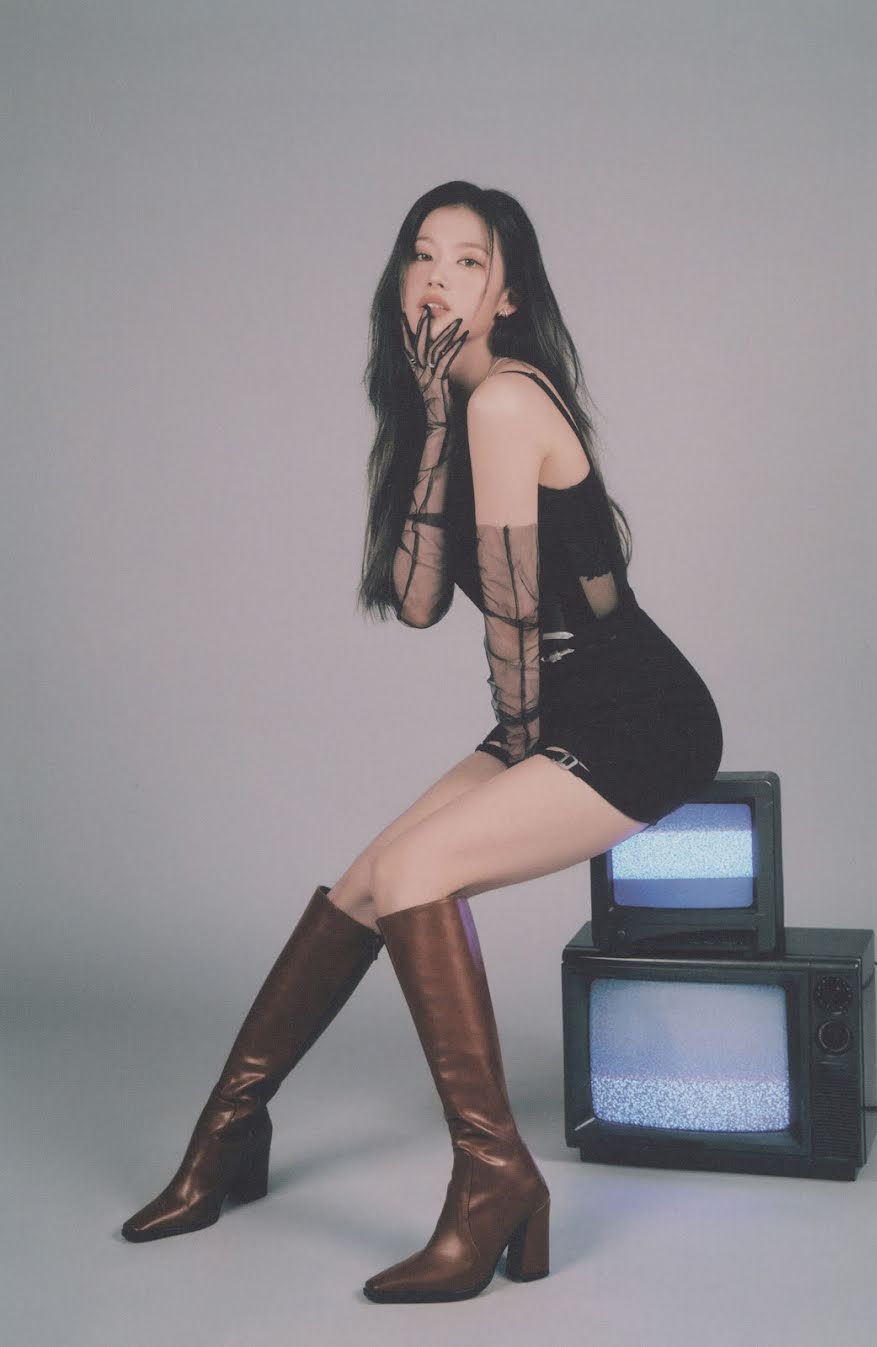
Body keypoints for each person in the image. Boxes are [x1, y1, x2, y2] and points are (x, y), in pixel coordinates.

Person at [120, 180, 723, 1303]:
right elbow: (414, 603)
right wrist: (434, 422)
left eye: (469, 261)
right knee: (366, 883)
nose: (439, 278)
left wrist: (520, 759)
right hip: (556, 705)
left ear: (507, 296)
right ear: (400, 280)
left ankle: (495, 1180)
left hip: (637, 716)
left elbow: (514, 624)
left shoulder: (508, 403)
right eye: (422, 255)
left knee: (412, 876)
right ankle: (228, 1137)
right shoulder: (454, 409)